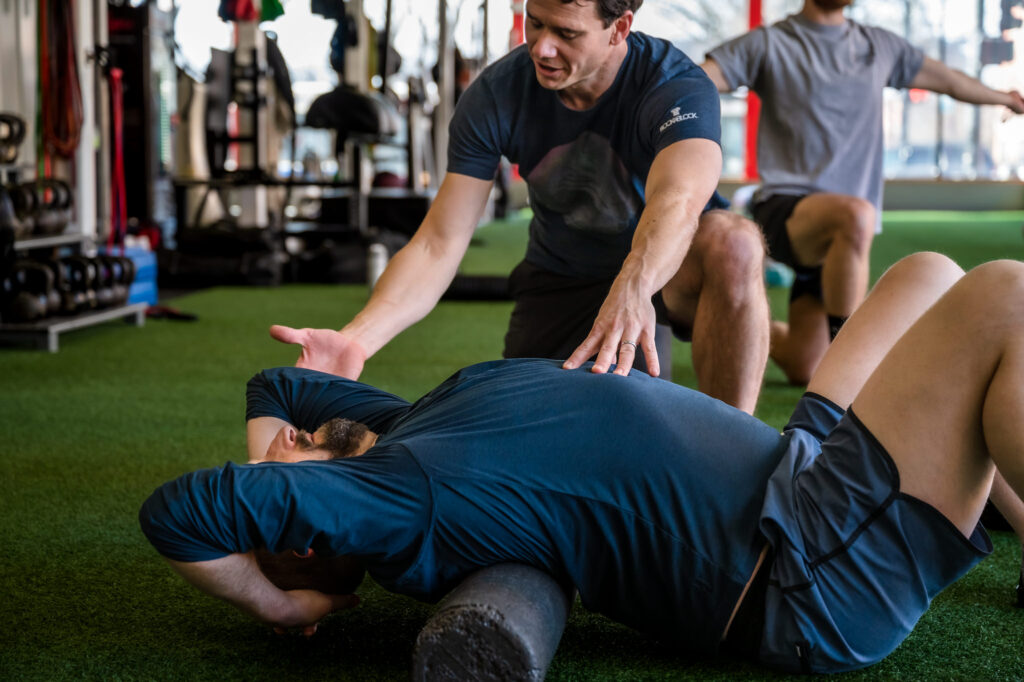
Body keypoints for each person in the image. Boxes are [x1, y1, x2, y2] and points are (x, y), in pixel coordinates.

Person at [142, 251, 1024, 673]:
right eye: (272, 477)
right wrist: (285, 600)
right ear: (313, 531)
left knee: (925, 272)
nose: (273, 447)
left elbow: (274, 383)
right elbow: (180, 512)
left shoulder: (400, 430)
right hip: (809, 565)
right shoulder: (398, 496)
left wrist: (278, 458)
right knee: (1003, 296)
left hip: (797, 468)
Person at [270, 0, 769, 414]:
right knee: (540, 442)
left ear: (619, 28)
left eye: (566, 33)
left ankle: (734, 461)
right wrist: (358, 339)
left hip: (663, 269)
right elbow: (437, 244)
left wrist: (635, 284)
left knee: (735, 241)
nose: (542, 47)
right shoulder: (496, 94)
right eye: (535, 22)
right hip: (561, 277)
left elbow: (679, 198)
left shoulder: (674, 84)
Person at [701, 0, 1024, 385]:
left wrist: (1006, 99)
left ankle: (745, 320)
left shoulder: (881, 47)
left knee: (806, 366)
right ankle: (853, 374)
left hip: (841, 244)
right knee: (856, 215)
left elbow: (952, 81)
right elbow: (697, 80)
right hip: (788, 210)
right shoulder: (768, 43)